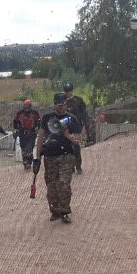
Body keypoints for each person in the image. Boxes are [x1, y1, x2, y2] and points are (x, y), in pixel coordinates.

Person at [35, 93, 83, 224]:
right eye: (59, 105)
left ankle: (65, 211)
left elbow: (79, 139)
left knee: (63, 183)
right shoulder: (47, 118)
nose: (61, 107)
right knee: (51, 185)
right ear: (55, 105)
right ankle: (55, 211)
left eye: (63, 105)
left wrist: (67, 135)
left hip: (66, 155)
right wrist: (37, 155)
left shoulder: (72, 119)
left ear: (66, 105)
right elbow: (41, 136)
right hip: (50, 156)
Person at [63, 83, 92, 170]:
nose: (68, 93)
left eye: (69, 91)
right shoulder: (61, 101)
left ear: (72, 90)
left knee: (76, 145)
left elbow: (84, 113)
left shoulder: (78, 101)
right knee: (67, 146)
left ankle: (78, 165)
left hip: (76, 126)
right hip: (65, 127)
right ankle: (71, 166)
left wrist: (86, 125)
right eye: (66, 91)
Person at [12, 99, 42, 170]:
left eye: (28, 106)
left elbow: (39, 121)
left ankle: (29, 162)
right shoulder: (20, 113)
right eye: (25, 106)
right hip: (22, 133)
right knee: (23, 149)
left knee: (29, 149)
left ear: (30, 106)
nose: (26, 107)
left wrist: (38, 128)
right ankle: (25, 163)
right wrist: (17, 129)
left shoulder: (34, 113)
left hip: (31, 133)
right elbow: (15, 121)